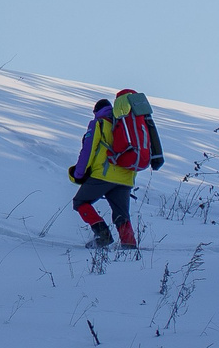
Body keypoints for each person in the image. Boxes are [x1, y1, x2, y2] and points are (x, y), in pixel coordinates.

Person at [68, 91, 162, 249]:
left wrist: (78, 173)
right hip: (127, 176)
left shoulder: (99, 123)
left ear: (96, 111)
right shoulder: (125, 122)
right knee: (121, 213)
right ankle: (129, 244)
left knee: (80, 202)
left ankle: (103, 234)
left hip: (103, 175)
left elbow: (88, 151)